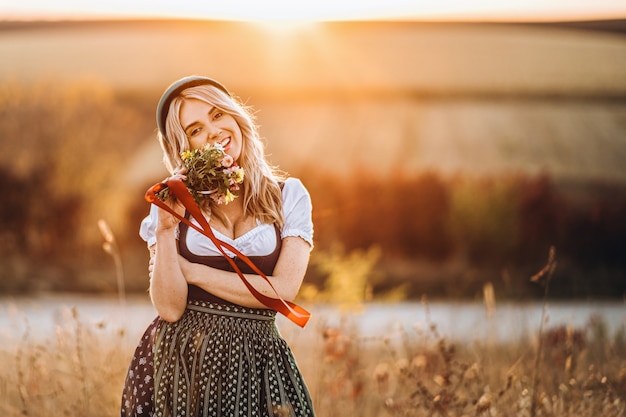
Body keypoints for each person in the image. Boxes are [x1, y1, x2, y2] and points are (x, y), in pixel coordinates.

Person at [121, 76, 316, 417]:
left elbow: (283, 291)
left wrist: (193, 271)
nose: (212, 131)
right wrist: (166, 231)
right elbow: (169, 308)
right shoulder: (168, 202)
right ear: (185, 149)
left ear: (235, 117)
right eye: (195, 130)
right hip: (182, 364)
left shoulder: (290, 196)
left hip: (259, 364)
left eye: (217, 114)